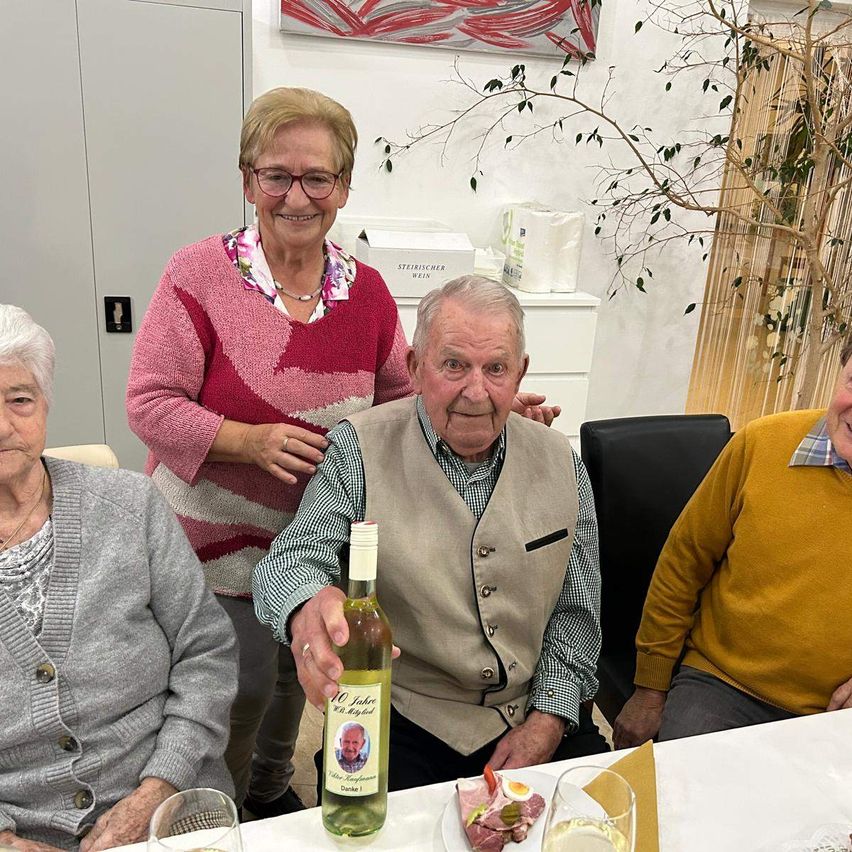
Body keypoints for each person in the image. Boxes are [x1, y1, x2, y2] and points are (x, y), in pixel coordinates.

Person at [126, 87, 556, 816]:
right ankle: (207, 816)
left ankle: (267, 798)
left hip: (321, 546)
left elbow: (406, 394)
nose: (297, 196)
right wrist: (247, 442)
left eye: (317, 178)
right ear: (247, 181)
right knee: (232, 697)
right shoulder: (197, 275)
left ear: (344, 188)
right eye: (277, 175)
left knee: (302, 687)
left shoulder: (369, 295)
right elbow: (148, 403)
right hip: (214, 555)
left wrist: (486, 397)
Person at [253, 275, 607, 792]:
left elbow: (577, 613)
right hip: (407, 718)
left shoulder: (563, 465)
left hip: (529, 709)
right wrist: (307, 608)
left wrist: (548, 722)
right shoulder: (360, 449)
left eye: (496, 369)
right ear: (415, 367)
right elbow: (291, 560)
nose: (476, 390)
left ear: (520, 373)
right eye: (454, 365)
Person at [0, 305, 237, 852]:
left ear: (45, 406)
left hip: (167, 803)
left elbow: (206, 652)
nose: (5, 424)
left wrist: (160, 788)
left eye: (20, 399)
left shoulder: (130, 506)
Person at [613, 338, 852, 749]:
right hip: (721, 684)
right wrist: (650, 689)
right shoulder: (762, 444)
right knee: (687, 803)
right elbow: (682, 563)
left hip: (834, 712)